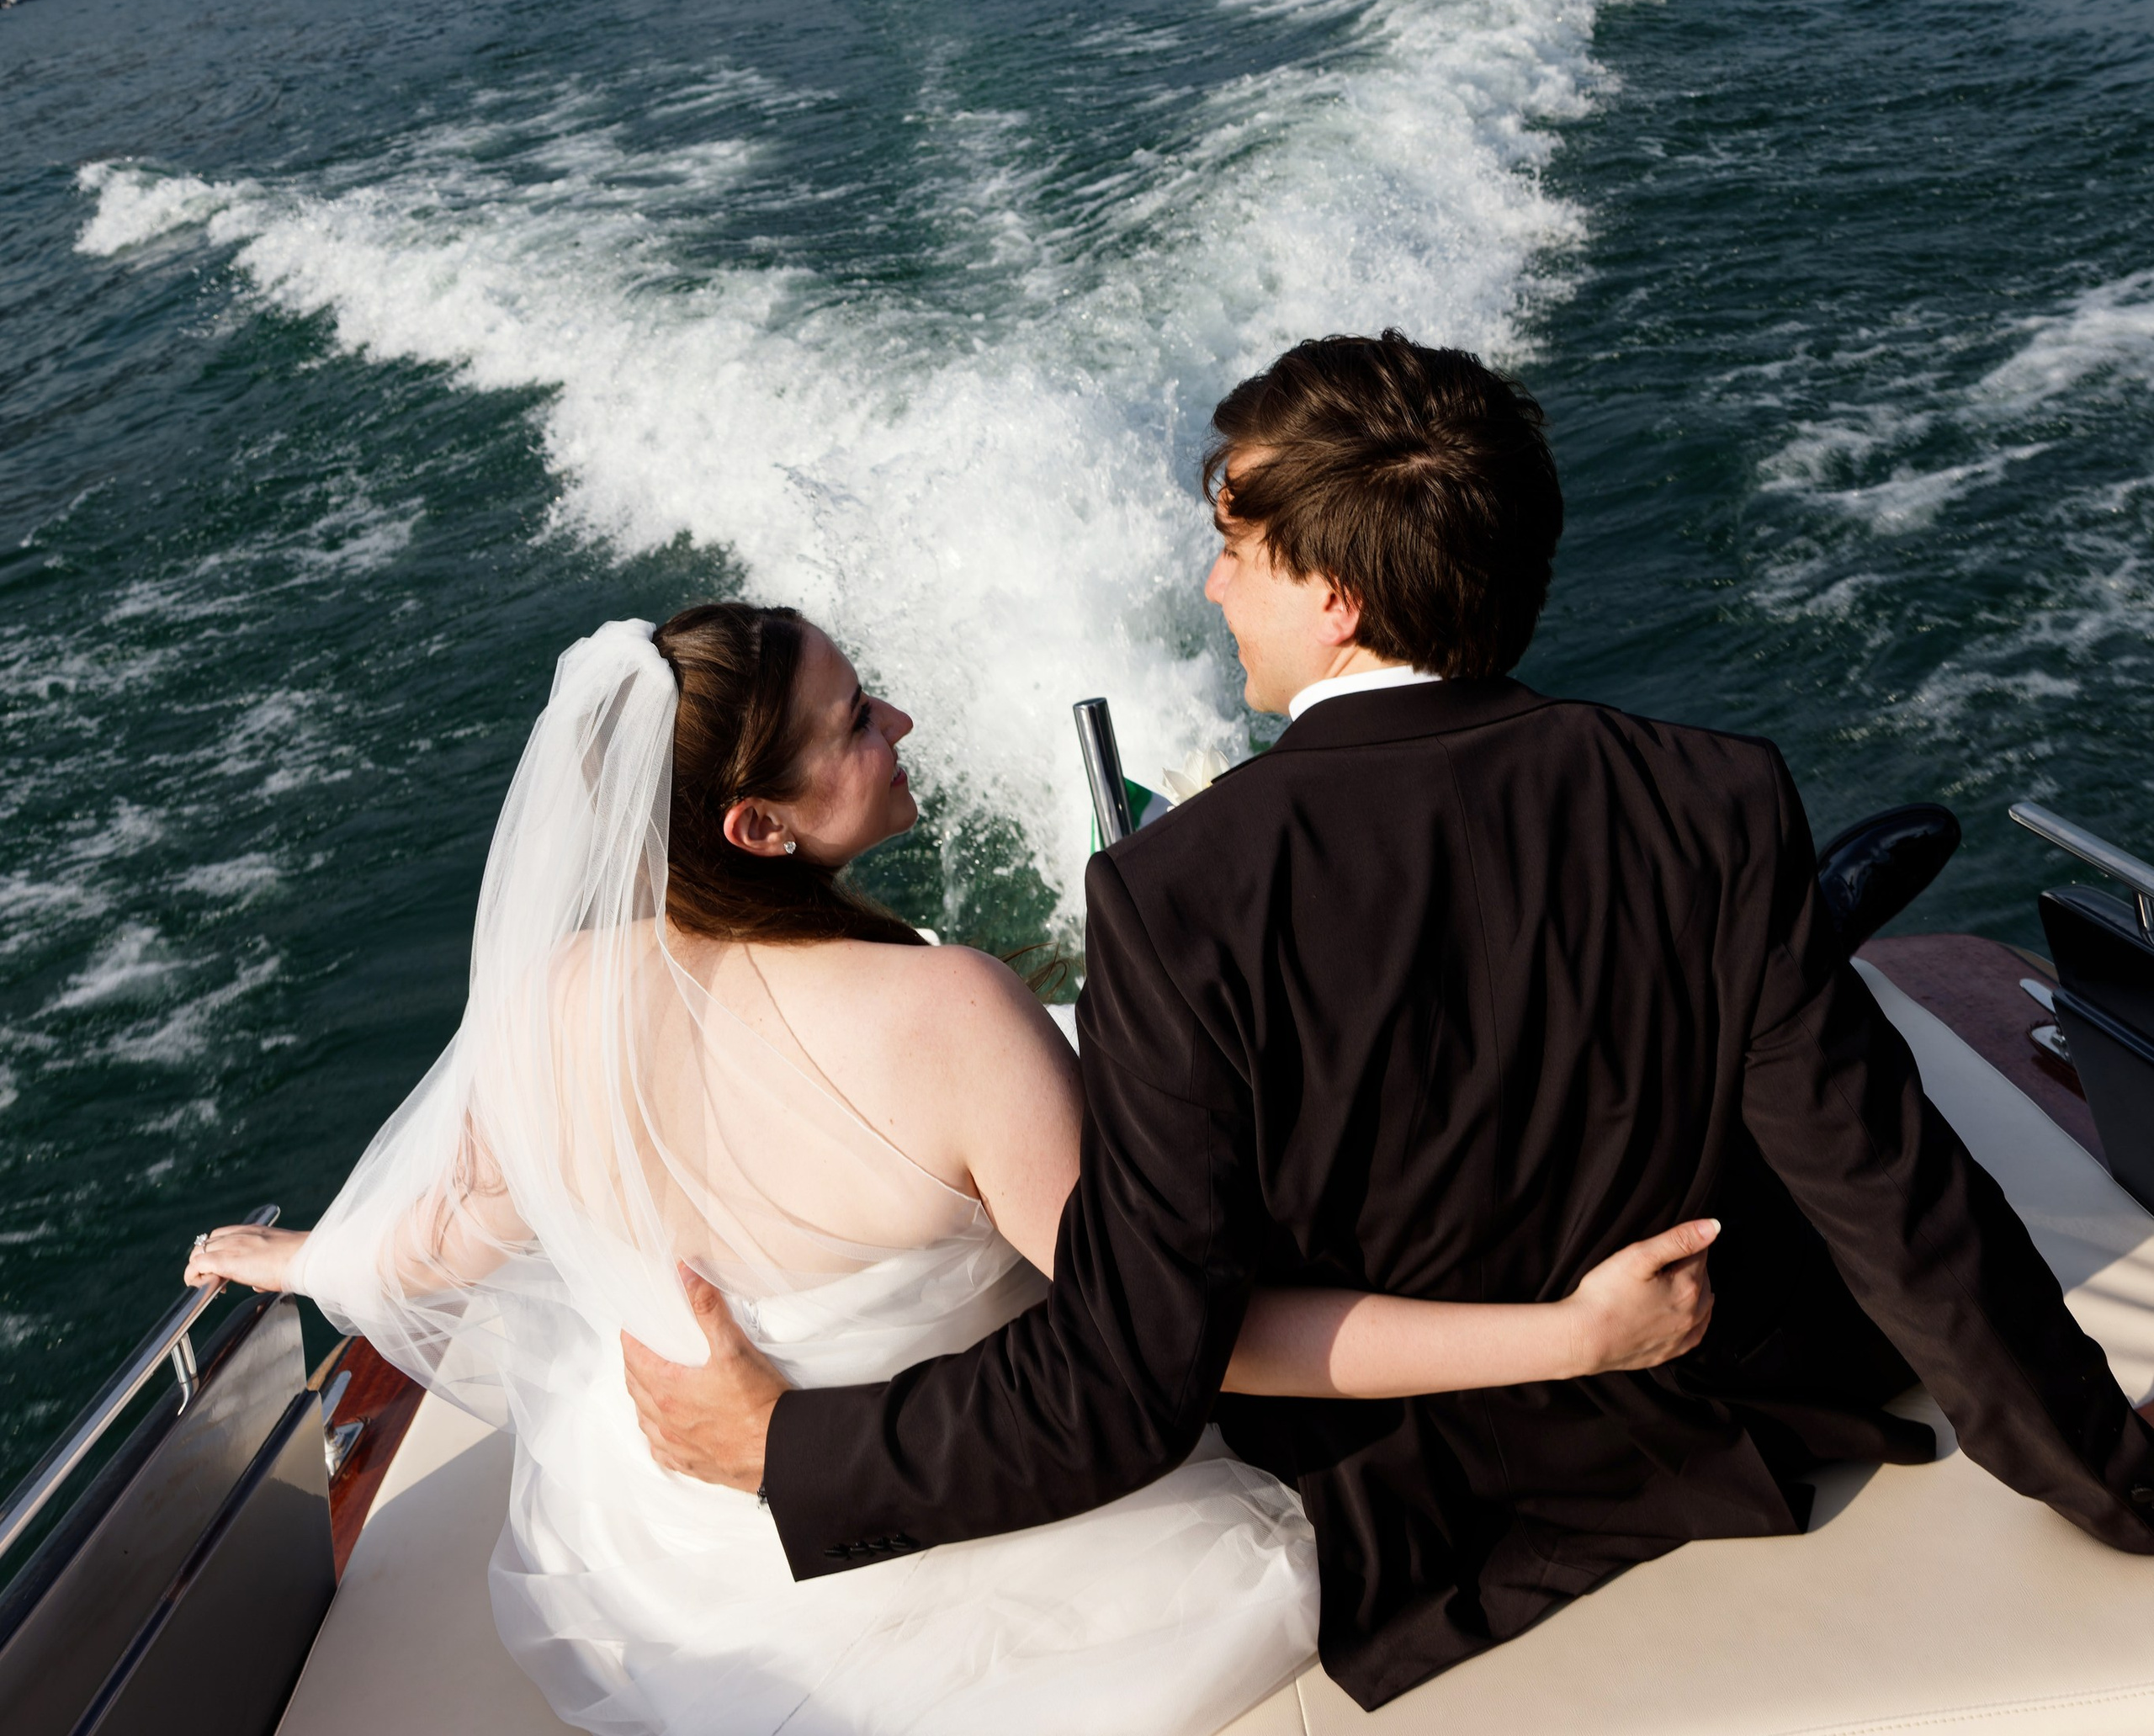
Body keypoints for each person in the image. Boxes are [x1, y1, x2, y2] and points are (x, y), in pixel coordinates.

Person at [625, 333, 2154, 1716]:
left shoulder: (1173, 895)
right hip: (1728, 1406)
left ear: (1335, 596)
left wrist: (794, 1448)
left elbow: (1128, 1376)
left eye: (1236, 546)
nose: (1214, 584)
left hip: (1425, 1507)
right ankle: (1815, 928)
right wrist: (2117, 1482)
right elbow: (1899, 1201)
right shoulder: (1714, 791)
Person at [188, 597, 1715, 1736]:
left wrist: (307, 1257)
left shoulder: (549, 1003)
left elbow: (454, 1227)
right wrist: (1572, 1332)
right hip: (994, 1570)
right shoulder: (953, 1015)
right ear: (757, 825)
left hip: (671, 1554)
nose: (900, 724)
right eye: (857, 722)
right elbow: (1193, 1333)